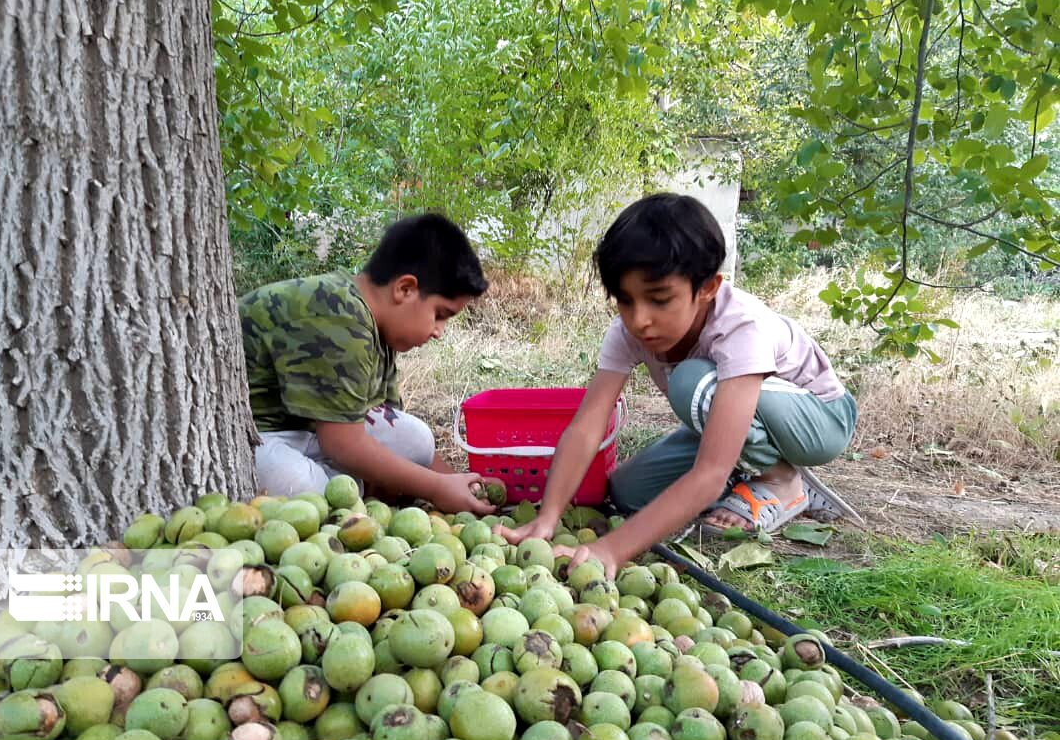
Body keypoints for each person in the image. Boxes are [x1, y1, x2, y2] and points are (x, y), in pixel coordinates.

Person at [501, 193, 858, 575]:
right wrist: (549, 515)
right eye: (625, 300)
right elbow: (588, 425)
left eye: (659, 299)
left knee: (691, 382)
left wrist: (613, 549)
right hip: (730, 414)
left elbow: (710, 471)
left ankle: (782, 481)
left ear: (707, 287)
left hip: (819, 421)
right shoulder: (627, 332)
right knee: (626, 491)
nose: (640, 320)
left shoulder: (741, 327)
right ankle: (752, 471)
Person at [241, 213, 498, 515]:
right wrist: (435, 488)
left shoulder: (379, 328)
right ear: (405, 289)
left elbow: (382, 423)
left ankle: (355, 486)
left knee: (416, 439)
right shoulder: (337, 316)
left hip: (309, 432)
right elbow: (343, 444)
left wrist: (457, 483)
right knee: (300, 486)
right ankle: (355, 490)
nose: (438, 332)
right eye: (440, 314)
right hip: (258, 435)